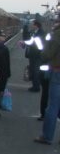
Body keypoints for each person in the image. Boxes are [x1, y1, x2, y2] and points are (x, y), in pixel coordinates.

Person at [35, 15, 60, 144]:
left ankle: (46, 136)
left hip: (57, 72)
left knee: (53, 106)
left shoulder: (57, 34)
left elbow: (48, 54)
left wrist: (43, 49)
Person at [25, 19, 43, 92]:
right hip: (33, 55)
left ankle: (36, 87)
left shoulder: (40, 33)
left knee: (36, 71)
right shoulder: (35, 32)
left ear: (36, 25)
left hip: (37, 55)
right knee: (33, 70)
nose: (31, 25)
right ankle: (34, 86)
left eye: (32, 24)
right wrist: (24, 43)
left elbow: (39, 45)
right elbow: (31, 42)